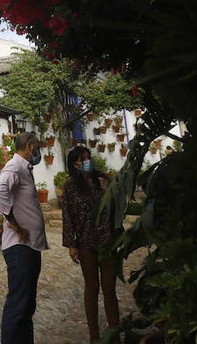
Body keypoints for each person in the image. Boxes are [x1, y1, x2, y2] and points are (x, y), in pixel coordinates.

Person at [0, 131, 48, 344]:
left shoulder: (25, 168)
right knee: (18, 303)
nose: (39, 151)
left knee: (27, 304)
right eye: (37, 147)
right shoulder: (15, 166)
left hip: (30, 245)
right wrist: (13, 221)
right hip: (19, 246)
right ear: (29, 147)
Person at [61, 145, 119, 343]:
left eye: (87, 158)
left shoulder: (102, 179)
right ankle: (94, 335)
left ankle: (114, 333)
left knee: (109, 287)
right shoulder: (70, 186)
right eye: (80, 159)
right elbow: (67, 215)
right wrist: (71, 244)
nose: (85, 162)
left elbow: (116, 207)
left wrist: (109, 190)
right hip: (85, 241)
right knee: (91, 287)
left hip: (107, 238)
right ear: (74, 164)